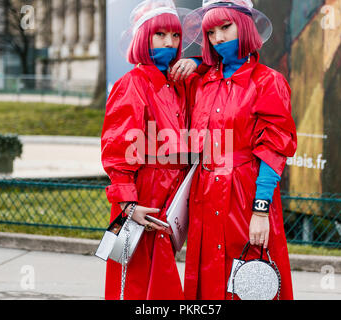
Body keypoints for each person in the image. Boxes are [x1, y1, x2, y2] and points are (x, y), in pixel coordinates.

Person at [183, 0, 297, 300]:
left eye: (226, 27)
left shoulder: (268, 82)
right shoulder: (202, 82)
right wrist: (198, 63)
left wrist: (261, 209)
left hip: (245, 194)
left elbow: (274, 149)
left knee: (249, 283)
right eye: (211, 32)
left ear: (244, 26)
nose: (218, 38)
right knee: (207, 286)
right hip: (204, 195)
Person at [100, 0, 197, 300]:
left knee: (161, 276)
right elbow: (118, 150)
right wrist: (129, 204)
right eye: (160, 35)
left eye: (176, 35)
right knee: (138, 279)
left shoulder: (179, 83)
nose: (170, 42)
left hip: (172, 193)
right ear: (144, 38)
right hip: (144, 192)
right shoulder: (132, 84)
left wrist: (197, 63)